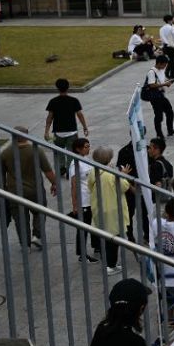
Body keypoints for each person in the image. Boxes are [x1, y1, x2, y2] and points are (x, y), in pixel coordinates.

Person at [0, 126, 56, 249]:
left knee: (20, 218)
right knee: (40, 211)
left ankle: (25, 245)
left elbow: (1, 176)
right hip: (35, 190)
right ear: (26, 136)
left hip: (14, 192)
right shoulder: (36, 150)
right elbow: (48, 171)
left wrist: (4, 191)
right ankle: (37, 236)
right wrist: (54, 183)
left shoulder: (5, 153)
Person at [88, 146, 132, 274]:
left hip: (100, 208)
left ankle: (111, 263)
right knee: (113, 239)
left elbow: (90, 187)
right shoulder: (111, 174)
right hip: (113, 210)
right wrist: (123, 175)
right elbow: (124, 186)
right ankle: (110, 265)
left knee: (108, 238)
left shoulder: (94, 172)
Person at [67, 138, 100, 263]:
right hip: (84, 201)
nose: (88, 148)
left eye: (88, 146)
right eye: (86, 147)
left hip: (92, 198)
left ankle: (96, 246)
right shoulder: (75, 164)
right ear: (78, 149)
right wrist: (75, 205)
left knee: (95, 224)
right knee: (83, 228)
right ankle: (82, 254)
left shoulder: (86, 160)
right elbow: (74, 185)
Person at [45, 77, 88, 155]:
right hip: (72, 133)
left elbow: (49, 118)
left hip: (58, 134)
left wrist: (46, 132)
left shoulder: (53, 101)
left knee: (59, 155)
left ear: (57, 88)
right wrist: (85, 127)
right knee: (72, 155)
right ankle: (70, 167)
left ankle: (61, 167)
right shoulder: (74, 101)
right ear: (68, 87)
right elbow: (80, 115)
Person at [144, 55, 174, 138]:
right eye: (164, 65)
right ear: (159, 63)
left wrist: (169, 81)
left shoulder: (161, 70)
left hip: (160, 95)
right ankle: (159, 134)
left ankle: (170, 131)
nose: (165, 67)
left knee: (170, 112)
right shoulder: (152, 72)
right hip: (154, 97)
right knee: (159, 116)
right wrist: (165, 84)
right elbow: (152, 85)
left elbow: (162, 80)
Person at [158, 14, 174, 80]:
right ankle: (172, 75)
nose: (172, 20)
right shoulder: (171, 28)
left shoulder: (161, 29)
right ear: (169, 20)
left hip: (165, 47)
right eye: (172, 19)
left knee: (168, 61)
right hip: (172, 47)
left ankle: (167, 73)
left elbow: (162, 38)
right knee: (173, 61)